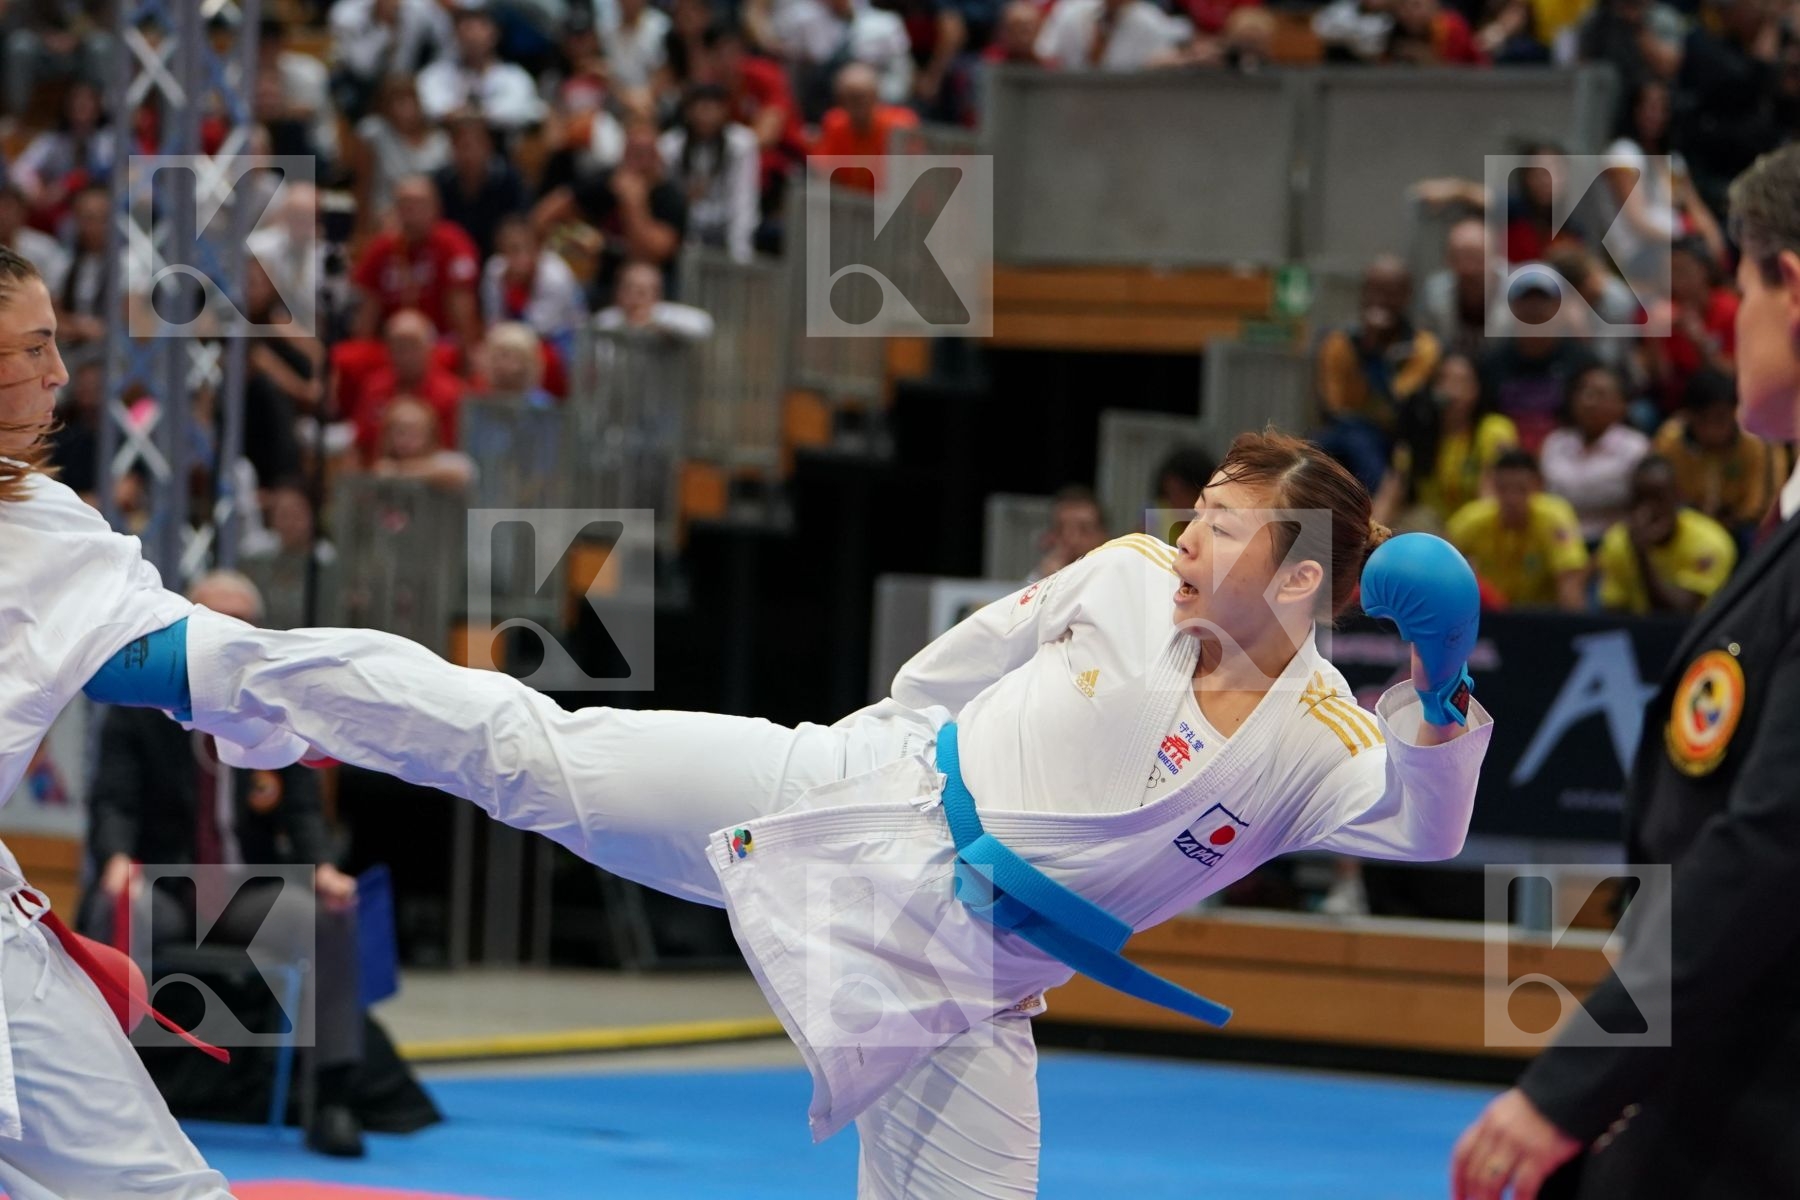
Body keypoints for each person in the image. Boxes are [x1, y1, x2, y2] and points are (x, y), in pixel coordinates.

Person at [118, 432, 1493, 1199]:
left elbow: (1425, 831)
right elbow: (942, 675)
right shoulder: (1125, 574)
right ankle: (216, 670)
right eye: (1195, 512)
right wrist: (893, 763)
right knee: (534, 749)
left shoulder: (1322, 741)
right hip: (855, 798)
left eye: (1223, 527)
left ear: (1301, 579)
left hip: (972, 982)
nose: (1186, 537)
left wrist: (1438, 692)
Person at [1451, 140, 1800, 1200]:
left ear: (1793, 288)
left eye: (1744, 288)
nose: (1731, 324)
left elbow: (1769, 848)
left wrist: (1578, 1082)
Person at [0, 245, 237, 1196]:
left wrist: (274, 703)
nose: (59, 374)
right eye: (34, 347)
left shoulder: (37, 523)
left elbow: (173, 652)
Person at [82, 571, 367, 1158]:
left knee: (326, 916)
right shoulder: (140, 703)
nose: (230, 635)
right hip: (160, 881)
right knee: (123, 907)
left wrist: (323, 867)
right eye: (215, 622)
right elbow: (113, 799)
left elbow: (303, 809)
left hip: (248, 891)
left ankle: (334, 1099)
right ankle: (105, 1097)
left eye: (243, 625)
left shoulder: (279, 707)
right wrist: (115, 858)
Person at [1316, 255, 1443, 496]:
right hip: (1345, 432)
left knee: (1361, 445)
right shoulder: (1338, 343)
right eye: (1374, 291)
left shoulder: (1423, 346)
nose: (1380, 301)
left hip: (1397, 440)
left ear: (1406, 296)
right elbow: (1334, 405)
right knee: (1309, 454)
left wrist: (1371, 351)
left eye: (1390, 292)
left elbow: (1396, 403)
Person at [1653, 366, 1788, 551]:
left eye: (1719, 419)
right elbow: (1662, 496)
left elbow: (1763, 502)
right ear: (1687, 416)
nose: (1711, 430)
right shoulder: (1668, 442)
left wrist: (1731, 523)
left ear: (1734, 412)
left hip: (1741, 527)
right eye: (1703, 420)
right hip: (1688, 525)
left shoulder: (1758, 441)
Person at [1446, 448, 1590, 610]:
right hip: (1490, 614)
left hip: (1541, 614)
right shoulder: (1472, 519)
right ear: (1493, 486)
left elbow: (1570, 580)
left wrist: (1571, 622)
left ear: (1538, 486)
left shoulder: (1554, 518)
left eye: (1521, 489)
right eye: (1503, 489)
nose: (1511, 498)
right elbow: (1439, 564)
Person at [1593, 455, 1736, 615]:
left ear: (1677, 498)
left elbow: (1681, 613)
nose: (1649, 511)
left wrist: (1641, 554)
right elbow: (1614, 612)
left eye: (1658, 498)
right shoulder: (1616, 542)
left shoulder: (1709, 542)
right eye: (1640, 500)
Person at [1539, 363, 1651, 544]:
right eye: (1583, 392)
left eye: (1600, 394)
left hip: (1615, 543)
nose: (1588, 401)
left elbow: (1644, 507)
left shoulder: (1636, 447)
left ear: (1621, 405)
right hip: (1559, 543)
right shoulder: (1555, 443)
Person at [1029, 485, 1108, 581]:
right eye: (1060, 530)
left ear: (1104, 536)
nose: (1072, 540)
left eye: (1084, 529)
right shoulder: (1039, 580)